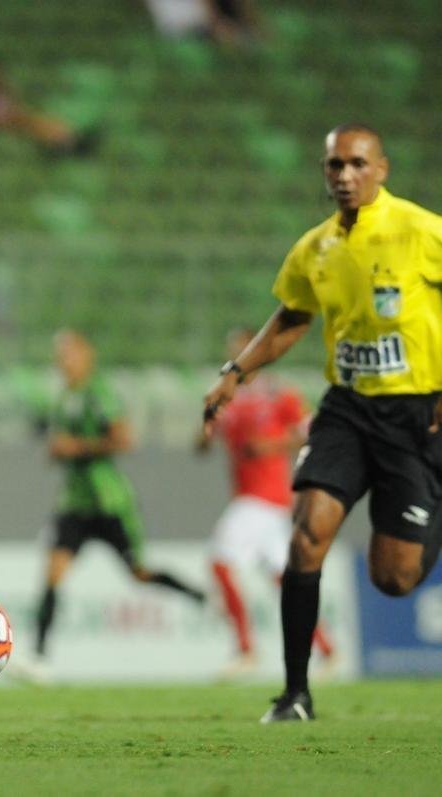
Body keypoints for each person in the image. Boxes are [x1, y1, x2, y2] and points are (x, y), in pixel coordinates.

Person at [204, 123, 442, 723]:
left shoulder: (420, 230)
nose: (344, 175)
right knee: (306, 534)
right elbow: (290, 317)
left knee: (394, 578)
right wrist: (236, 373)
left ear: (381, 169)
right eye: (334, 165)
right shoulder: (315, 247)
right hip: (347, 409)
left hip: (418, 414)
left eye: (357, 164)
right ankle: (294, 695)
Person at [27, 330, 204, 674]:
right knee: (52, 573)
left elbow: (124, 440)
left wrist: (75, 447)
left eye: (70, 355)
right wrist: (58, 452)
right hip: (76, 503)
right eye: (60, 357)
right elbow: (64, 446)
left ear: (87, 356)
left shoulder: (98, 394)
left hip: (110, 502)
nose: (64, 363)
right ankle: (38, 657)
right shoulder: (65, 398)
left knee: (139, 573)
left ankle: (199, 596)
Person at [197, 328, 333, 677]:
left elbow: (309, 432)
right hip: (260, 501)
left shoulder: (278, 394)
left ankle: (245, 649)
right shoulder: (231, 399)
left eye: (246, 350)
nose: (240, 359)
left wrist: (271, 446)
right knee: (286, 579)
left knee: (220, 562)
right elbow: (203, 443)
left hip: (263, 497)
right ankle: (328, 650)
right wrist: (205, 425)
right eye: (235, 353)